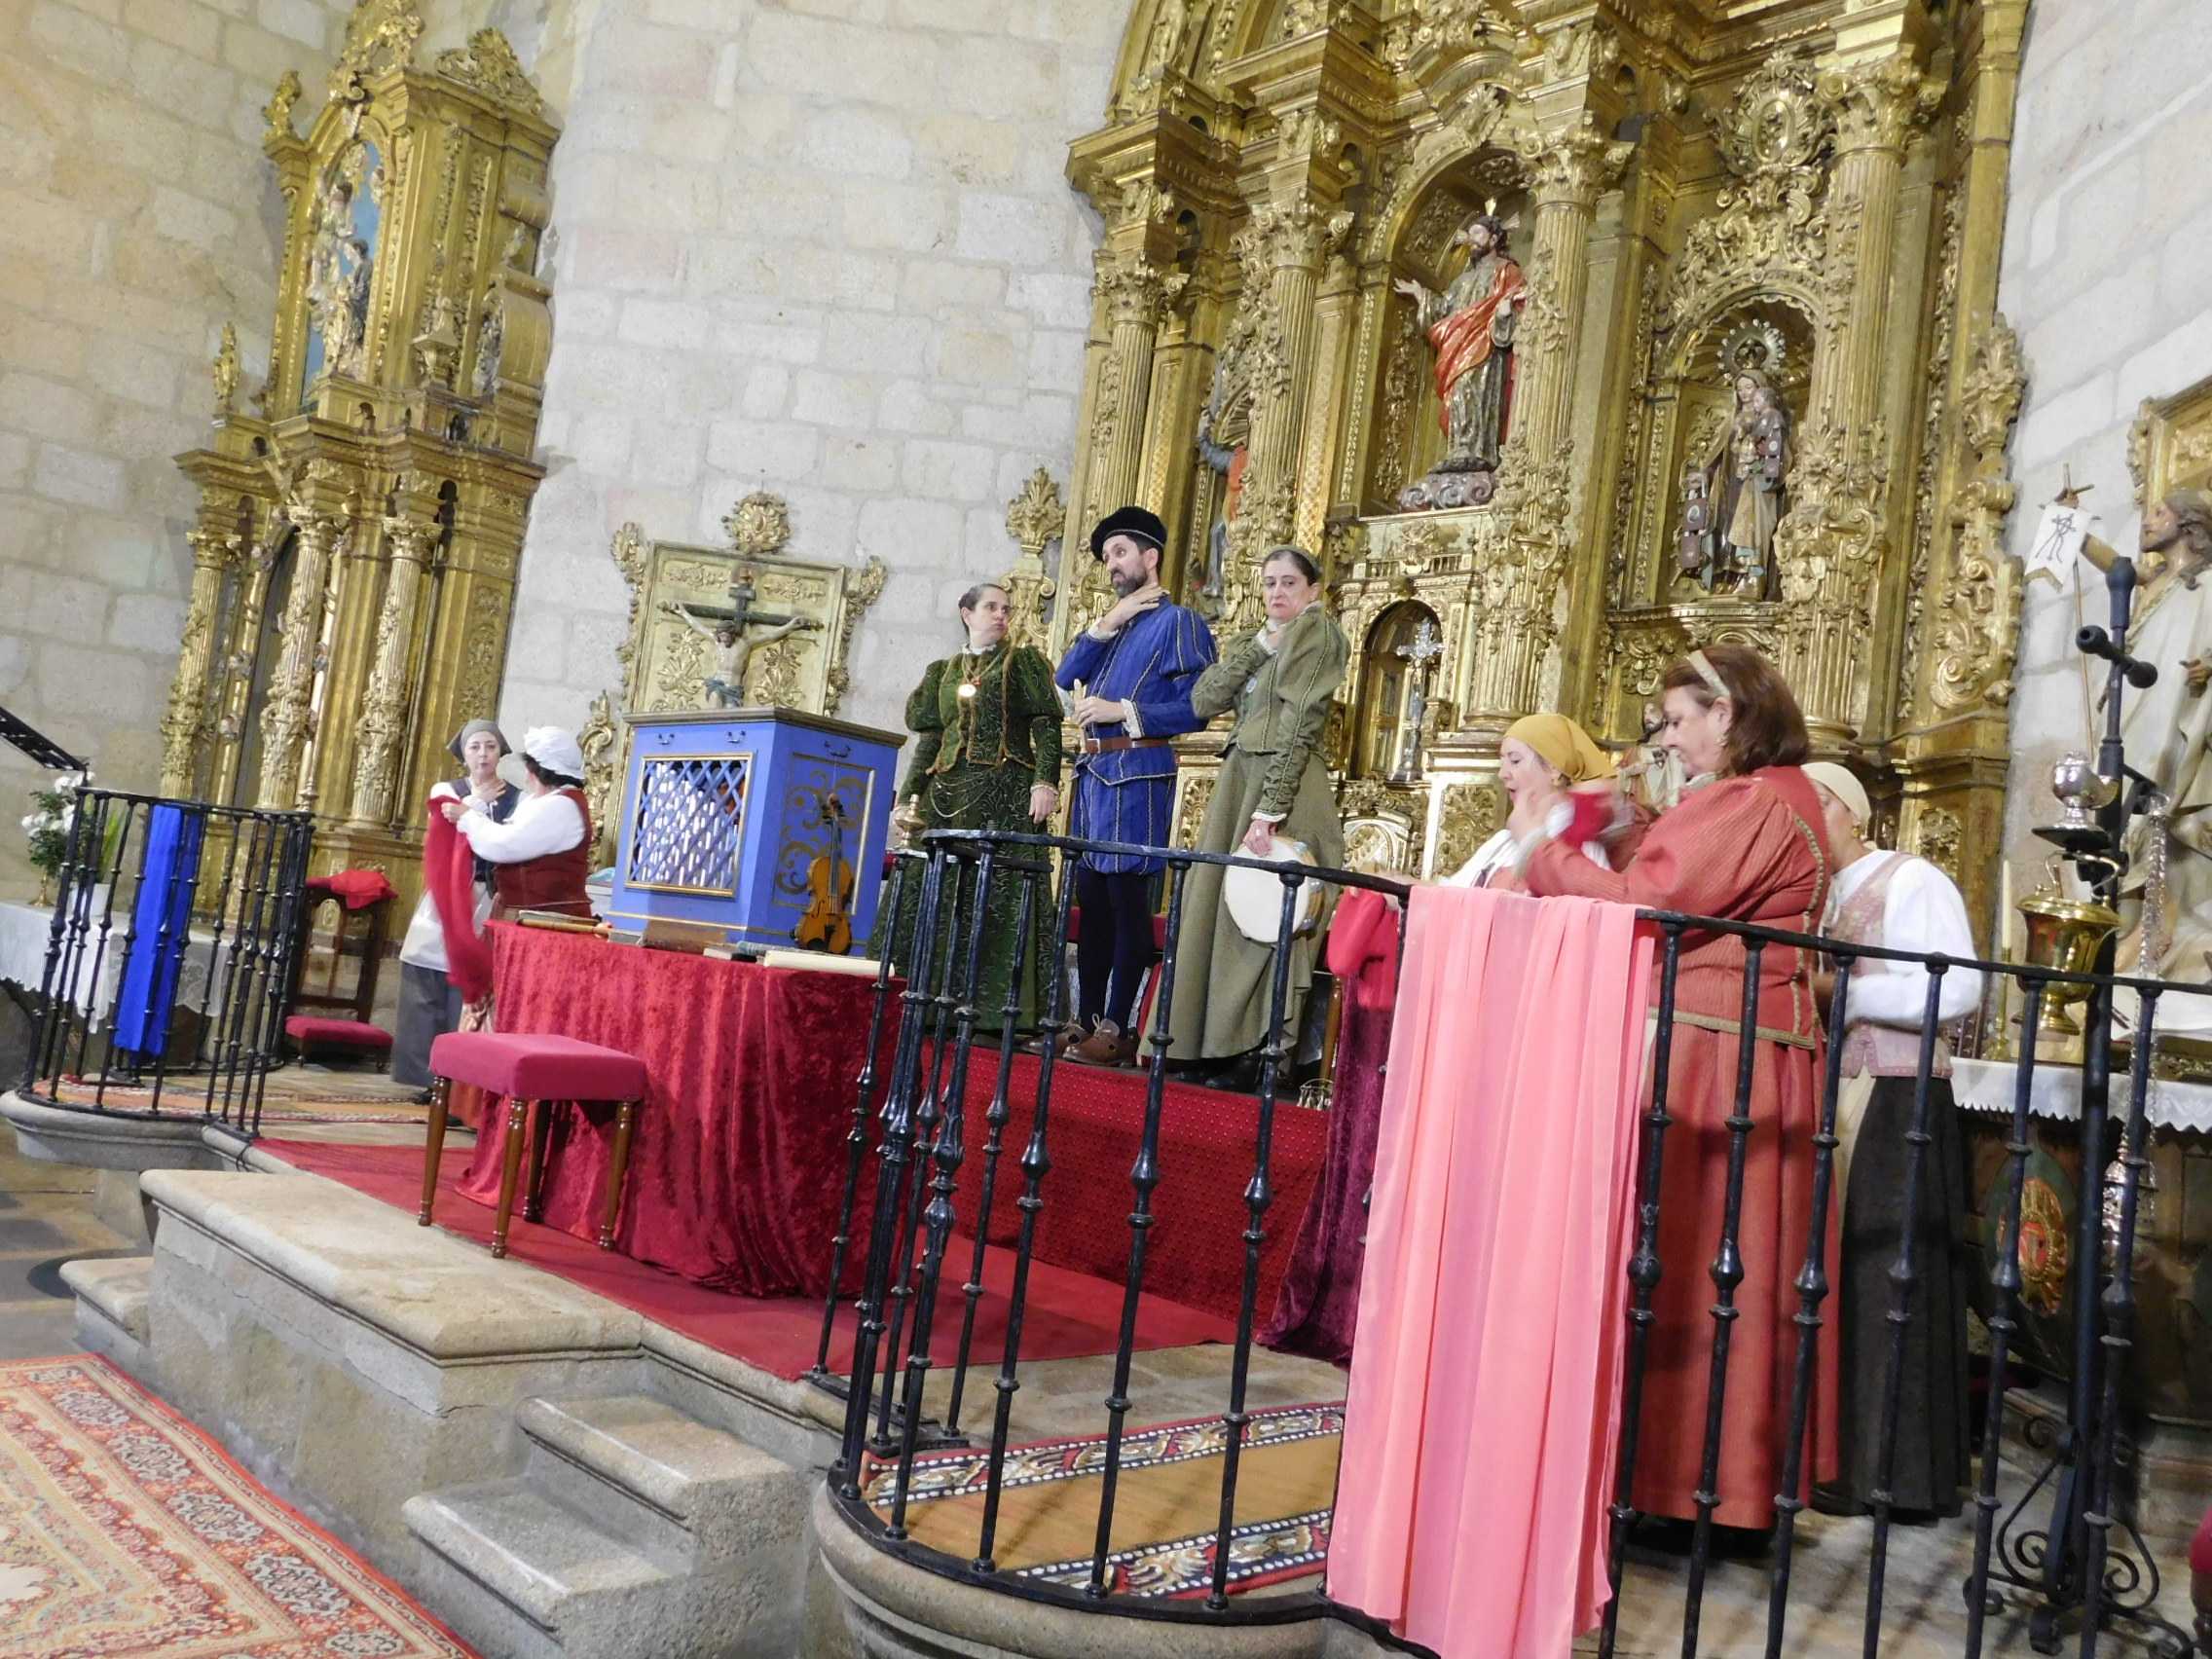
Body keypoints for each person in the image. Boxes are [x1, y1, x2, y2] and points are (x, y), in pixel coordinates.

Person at [1521, 642, 1838, 1535]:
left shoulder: (1754, 800)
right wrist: (1625, 825)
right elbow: (1677, 880)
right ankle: (1699, 1479)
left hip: (1720, 1054)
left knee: (1699, 1256)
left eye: (1676, 721)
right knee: (1714, 1264)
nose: (1667, 738)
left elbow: (1652, 903)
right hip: (1739, 1045)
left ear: (1726, 714)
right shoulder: (1769, 796)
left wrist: (1544, 847)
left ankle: (1685, 1484)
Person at [1802, 761, 1980, 1522]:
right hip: (1841, 1092)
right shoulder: (1820, 895)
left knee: (1887, 1277)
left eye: (1818, 805)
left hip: (1900, 1096)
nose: (1806, 819)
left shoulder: (1911, 880)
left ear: (1851, 812)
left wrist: (1843, 993)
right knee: (1841, 1273)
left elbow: (1959, 985)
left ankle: (1895, 1474)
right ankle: (1838, 1458)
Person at [1162, 547, 1346, 1086]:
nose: (1278, 592)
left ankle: (1264, 1050)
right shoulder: (1255, 639)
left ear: (1313, 590)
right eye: (1269, 583)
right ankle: (1209, 1042)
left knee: (1274, 914)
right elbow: (1204, 700)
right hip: (1239, 777)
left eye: (1289, 582)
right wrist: (1262, 647)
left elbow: (1299, 722)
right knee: (1222, 911)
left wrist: (1271, 808)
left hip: (1284, 783)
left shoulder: (1319, 633)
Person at [1053, 505, 1217, 1066]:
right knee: (1093, 902)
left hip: (1140, 772)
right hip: (1094, 779)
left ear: (1151, 557)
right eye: (1107, 556)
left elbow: (1199, 705)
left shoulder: (1180, 623)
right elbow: (1063, 675)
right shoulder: (1117, 624)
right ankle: (1085, 1020)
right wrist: (1109, 620)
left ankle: (1120, 1028)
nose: (1112, 564)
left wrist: (1122, 711)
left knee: (1127, 904)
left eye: (1121, 552)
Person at [877, 582, 1062, 1029]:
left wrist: (1045, 782)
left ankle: (992, 1014)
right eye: (991, 607)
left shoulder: (1022, 663)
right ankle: (921, 1003)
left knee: (997, 894)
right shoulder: (942, 671)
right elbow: (931, 741)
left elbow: (1047, 728)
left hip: (1005, 795)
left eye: (1006, 609)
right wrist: (908, 799)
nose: (1001, 615)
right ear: (967, 613)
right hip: (945, 796)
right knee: (931, 892)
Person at [394, 720, 518, 1092]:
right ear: (463, 753)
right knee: (426, 967)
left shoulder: (517, 798)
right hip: (448, 895)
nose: (483, 754)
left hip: (488, 896)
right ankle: (425, 1075)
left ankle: (461, 1080)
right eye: (475, 747)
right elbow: (447, 821)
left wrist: (471, 813)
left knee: (469, 982)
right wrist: (476, 804)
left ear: (500, 752)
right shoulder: (447, 790)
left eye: (490, 746)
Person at [1445, 713, 1639, 891]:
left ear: (1554, 770)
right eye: (1502, 762)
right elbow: (1448, 896)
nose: (1502, 774)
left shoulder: (1578, 849)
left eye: (1515, 761)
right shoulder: (1501, 842)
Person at [442, 726, 593, 920]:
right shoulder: (544, 800)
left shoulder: (561, 805)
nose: (527, 778)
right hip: (528, 917)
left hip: (549, 920)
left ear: (537, 771)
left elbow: (502, 845)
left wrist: (468, 816)